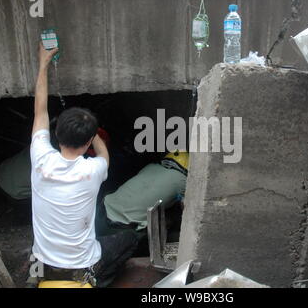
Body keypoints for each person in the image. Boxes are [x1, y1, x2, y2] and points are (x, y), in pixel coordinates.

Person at [29, 43, 137, 287]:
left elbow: (40, 113)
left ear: (56, 133)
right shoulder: (93, 170)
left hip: (46, 263)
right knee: (129, 238)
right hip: (84, 265)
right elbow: (104, 155)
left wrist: (44, 63)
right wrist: (94, 133)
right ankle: (100, 279)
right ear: (88, 140)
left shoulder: (40, 157)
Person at [96, 151, 188, 241]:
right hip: (123, 229)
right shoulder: (183, 181)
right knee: (170, 217)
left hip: (101, 212)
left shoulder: (150, 167)